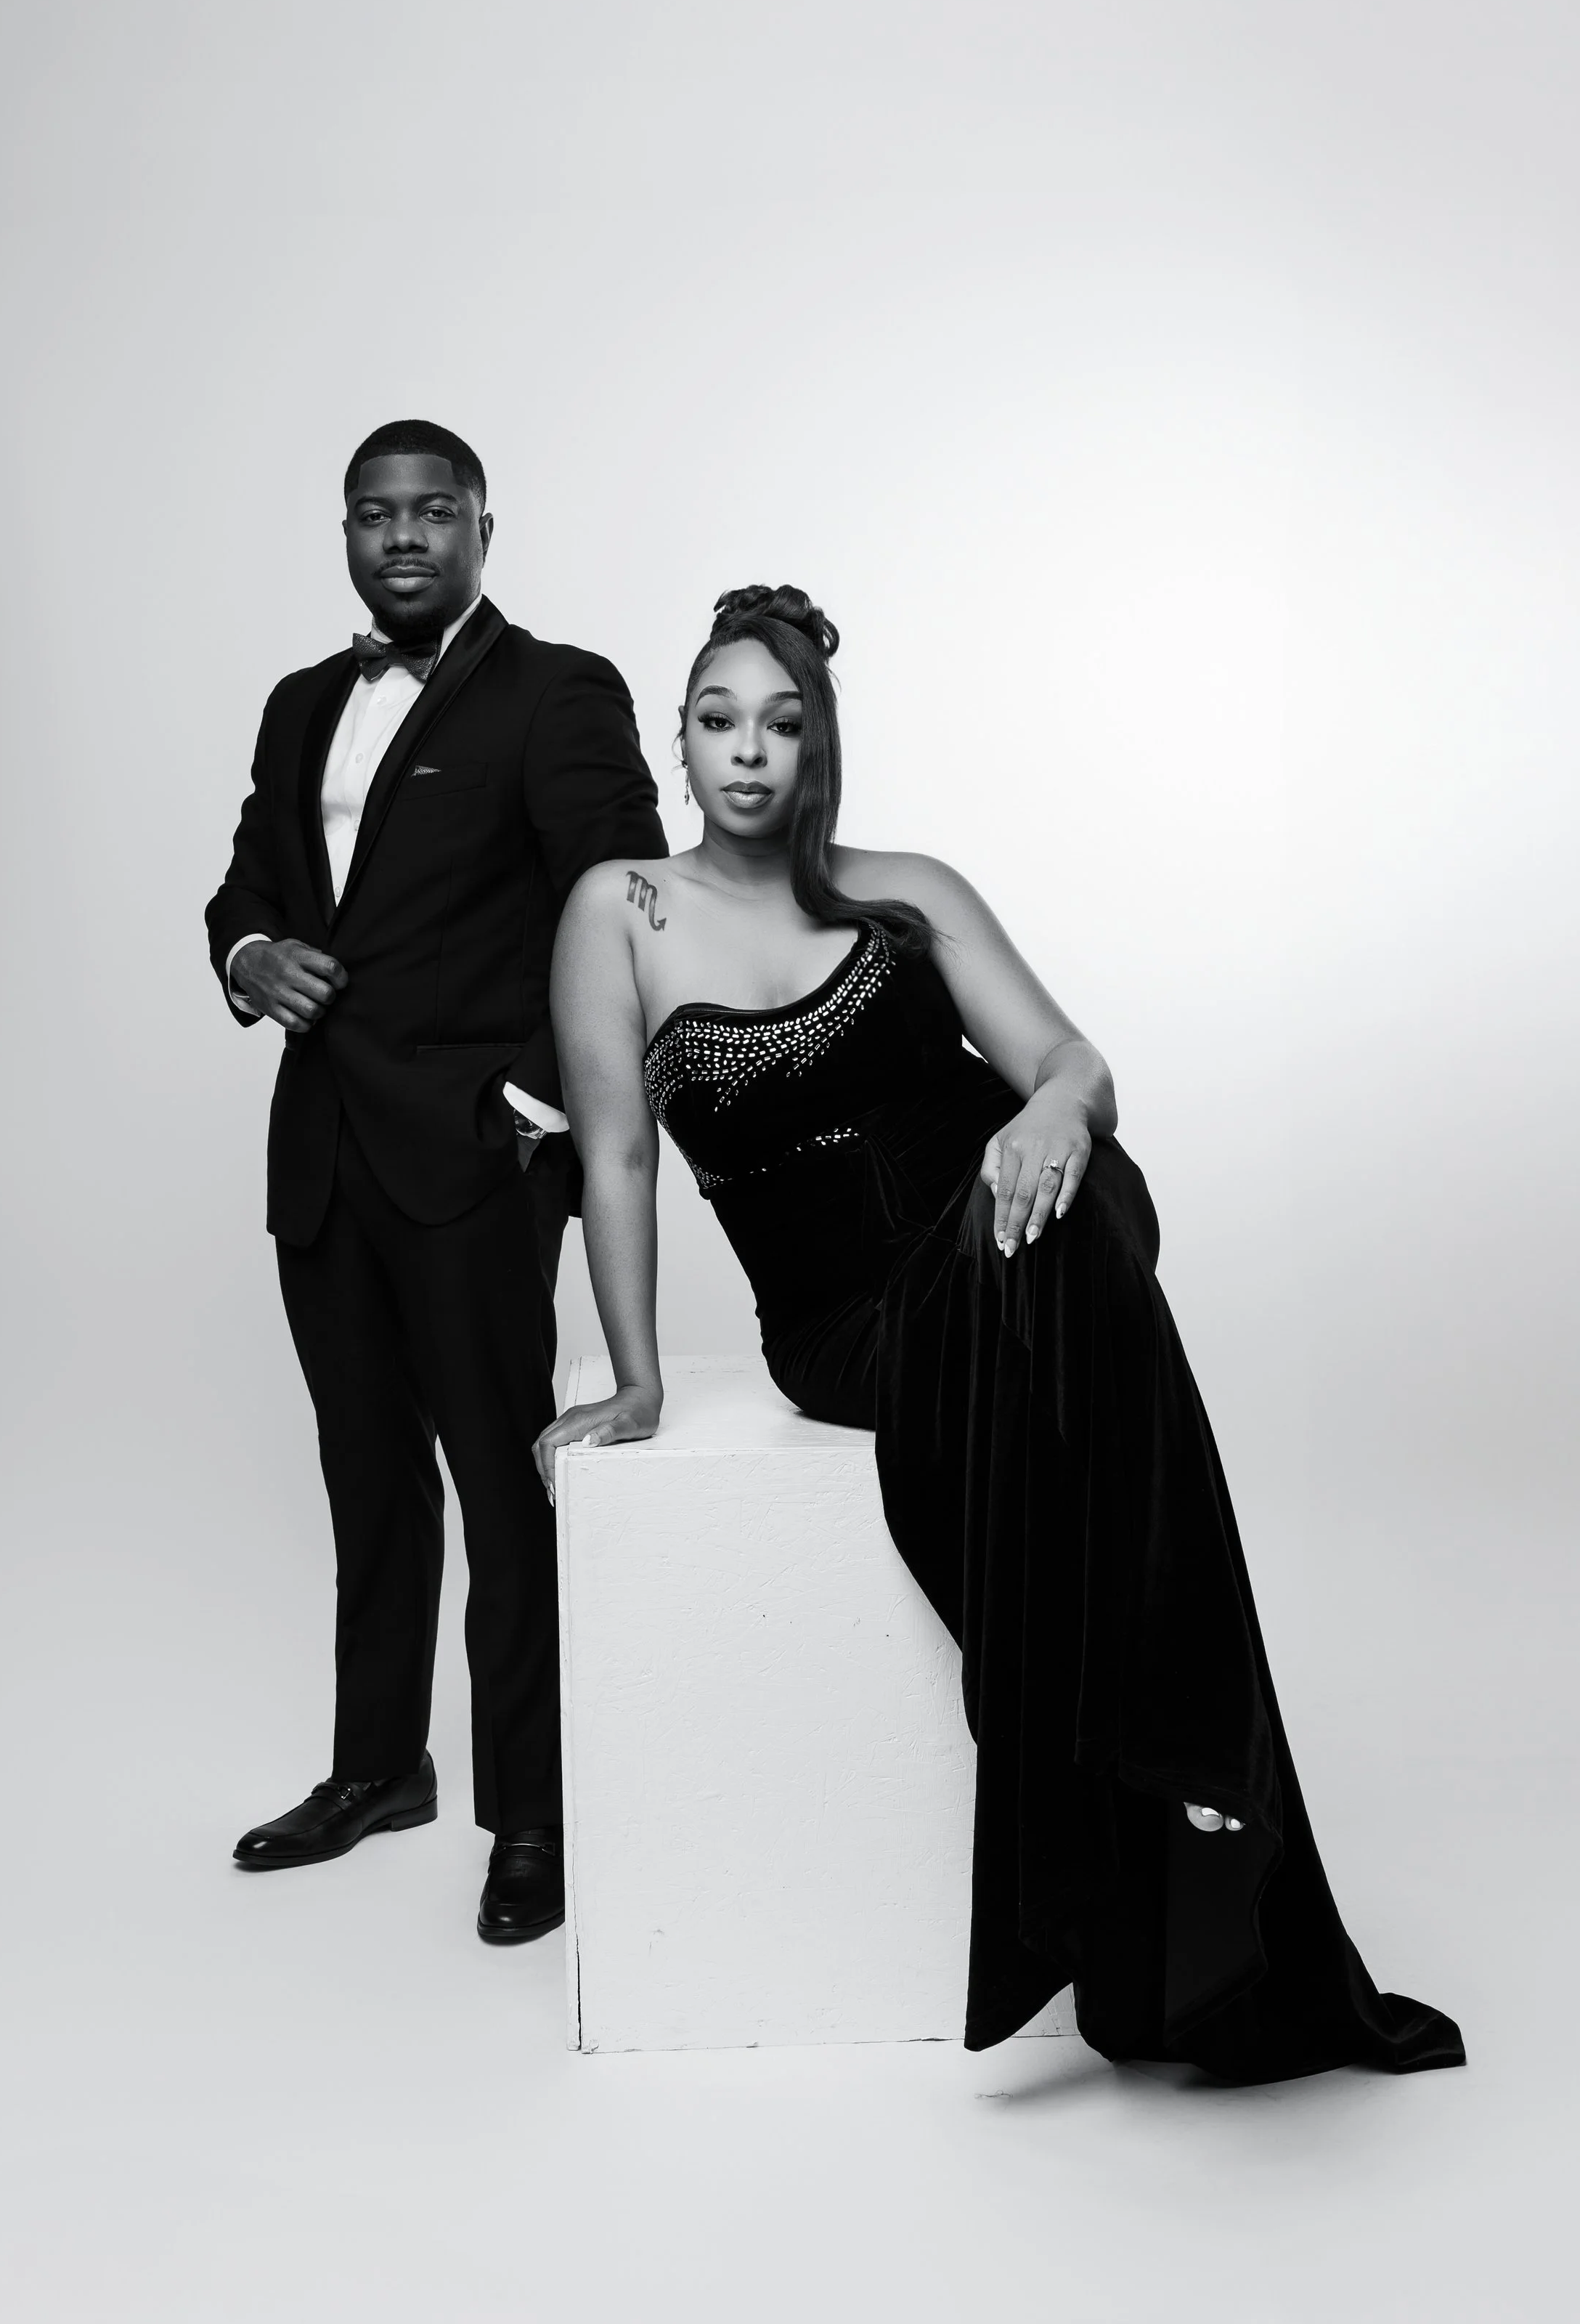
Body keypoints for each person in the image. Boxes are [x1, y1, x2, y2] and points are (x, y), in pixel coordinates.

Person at [535, 583, 1464, 2079]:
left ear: (818, 744)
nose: (747, 754)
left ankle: (1167, 1765)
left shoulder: (906, 888)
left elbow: (1072, 1060)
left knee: (1055, 1227)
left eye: (780, 724)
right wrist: (636, 1379)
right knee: (1051, 1283)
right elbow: (617, 1160)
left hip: (1033, 1226)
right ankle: (1190, 1754)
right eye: (717, 722)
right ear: (680, 740)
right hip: (856, 1323)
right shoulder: (619, 912)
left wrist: (1043, 1110)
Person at [205, 418, 664, 1943]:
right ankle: (375, 1768)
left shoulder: (556, 691)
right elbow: (247, 883)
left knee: (499, 1485)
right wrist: (249, 953)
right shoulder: (296, 707)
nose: (400, 537)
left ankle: (527, 1813)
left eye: (431, 512)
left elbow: (625, 904)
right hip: (323, 1152)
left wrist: (526, 1102)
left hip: (473, 1155)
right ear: (344, 533)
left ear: (481, 526)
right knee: (363, 1476)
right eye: (371, 514)